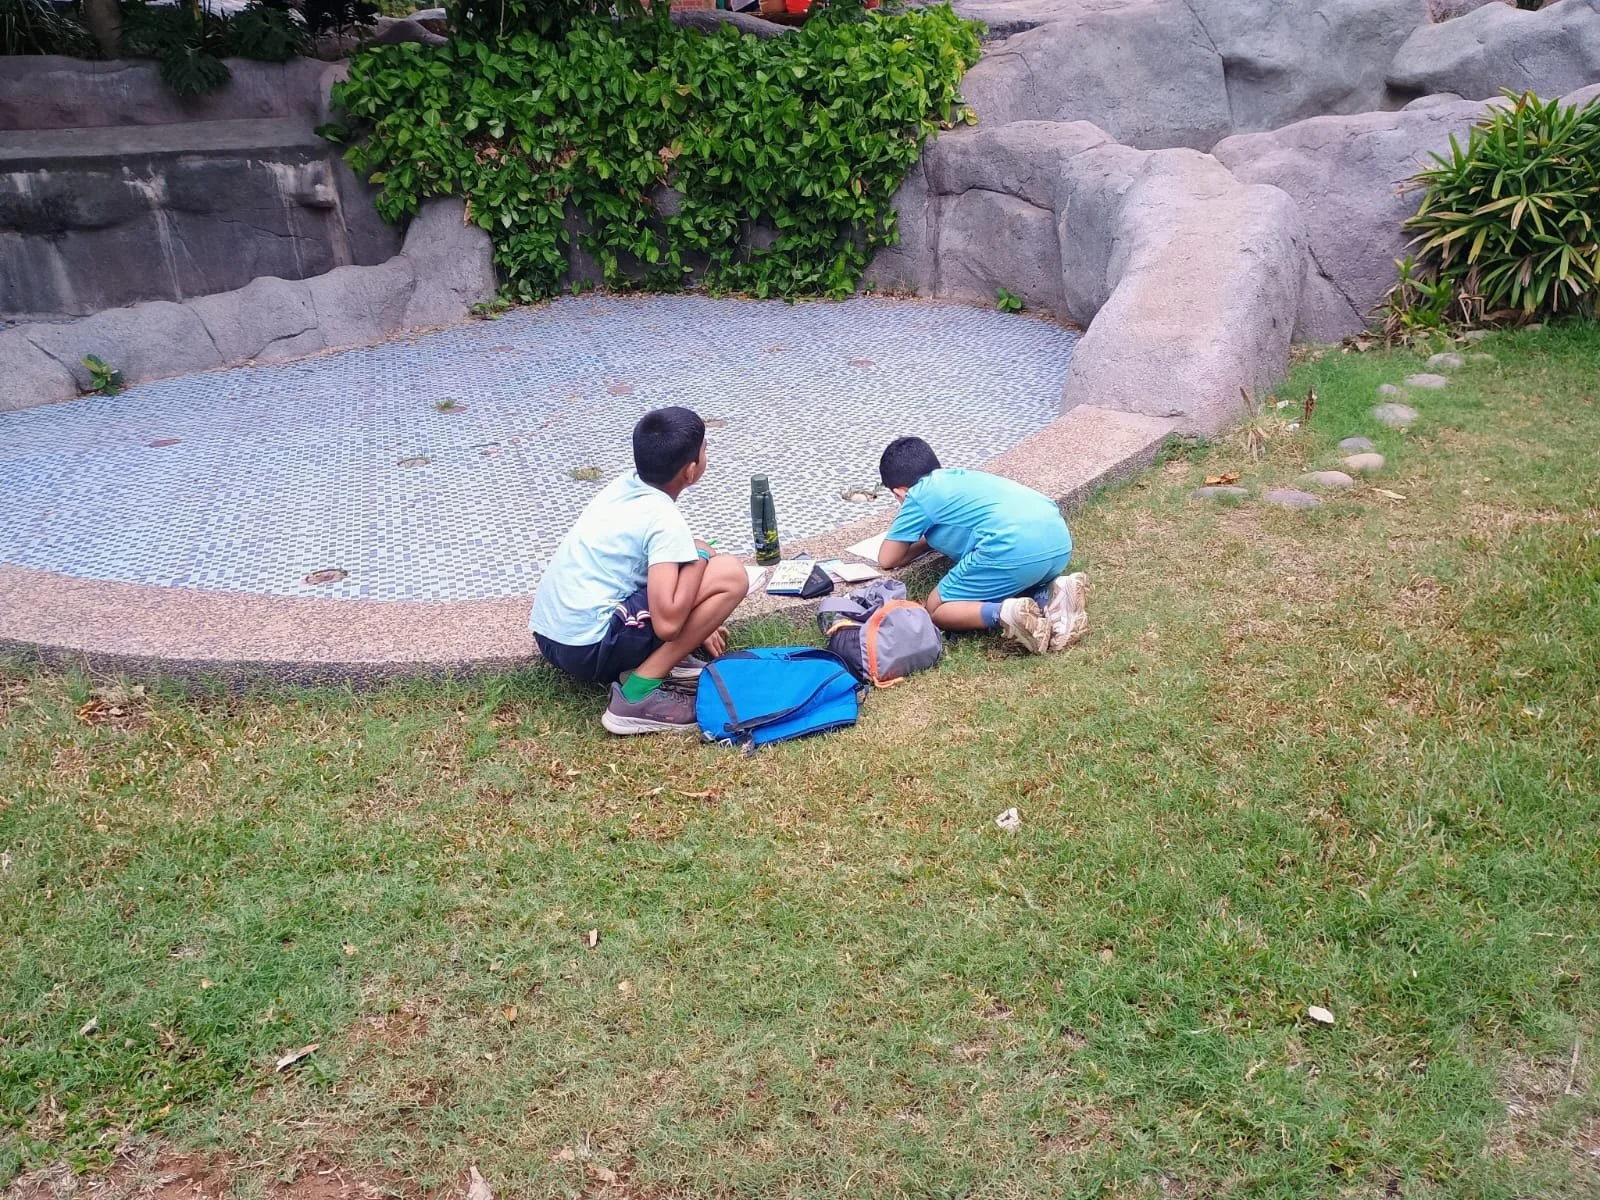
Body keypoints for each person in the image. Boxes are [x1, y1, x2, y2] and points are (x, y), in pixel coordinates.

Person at [530, 406, 748, 735]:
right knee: (730, 573)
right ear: (690, 472)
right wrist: (699, 555)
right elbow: (668, 622)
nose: (707, 455)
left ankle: (653, 662)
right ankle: (637, 694)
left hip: (552, 638)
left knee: (698, 557)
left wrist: (700, 620)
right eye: (705, 449)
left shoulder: (622, 488)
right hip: (587, 647)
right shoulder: (664, 518)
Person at [875, 436, 1088, 654]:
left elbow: (888, 558)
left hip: (1012, 548)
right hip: (1059, 541)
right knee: (1010, 578)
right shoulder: (961, 477)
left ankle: (1005, 613)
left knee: (937, 608)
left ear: (900, 491)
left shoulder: (918, 495)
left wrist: (923, 540)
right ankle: (1053, 593)